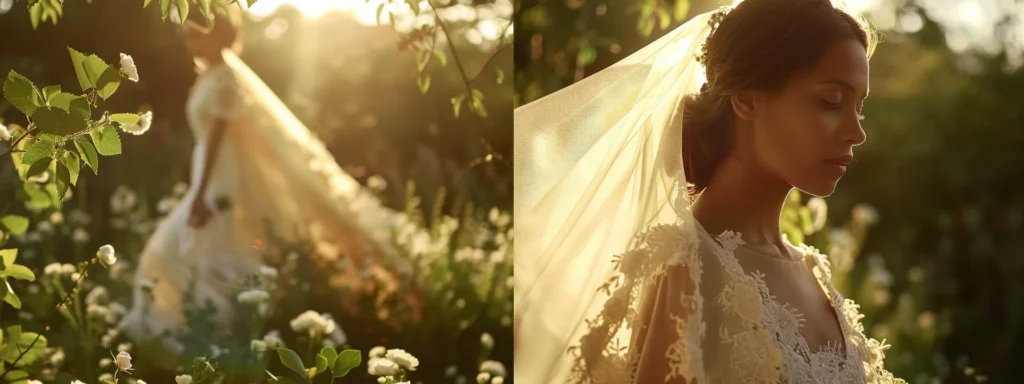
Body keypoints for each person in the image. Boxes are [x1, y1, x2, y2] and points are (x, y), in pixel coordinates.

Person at [513, 0, 906, 382]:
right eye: (831, 102)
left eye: (859, 108)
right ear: (747, 97)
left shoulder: (811, 271)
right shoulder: (691, 270)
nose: (857, 132)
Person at [118, 8, 405, 350]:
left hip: (220, 181)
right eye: (187, 35)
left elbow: (215, 141)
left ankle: (211, 335)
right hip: (208, 177)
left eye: (196, 34)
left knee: (175, 251)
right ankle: (206, 335)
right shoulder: (211, 75)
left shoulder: (225, 79)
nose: (189, 43)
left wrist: (200, 193)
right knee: (202, 252)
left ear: (218, 35)